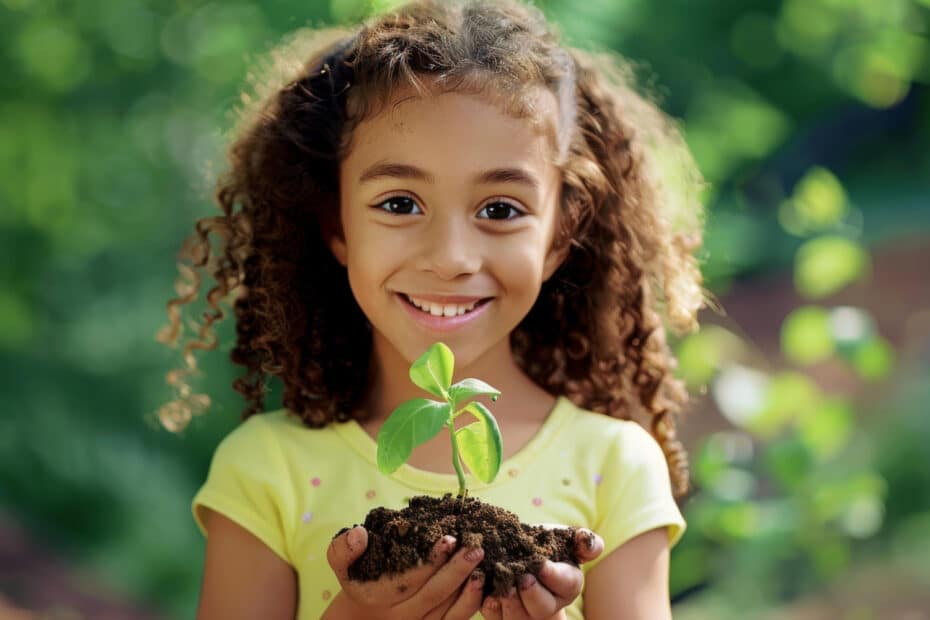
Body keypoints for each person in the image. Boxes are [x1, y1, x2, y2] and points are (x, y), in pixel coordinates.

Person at [156, 0, 707, 617]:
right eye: (399, 204)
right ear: (336, 225)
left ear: (559, 238)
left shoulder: (616, 465)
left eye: (499, 209)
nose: (450, 258)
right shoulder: (266, 471)